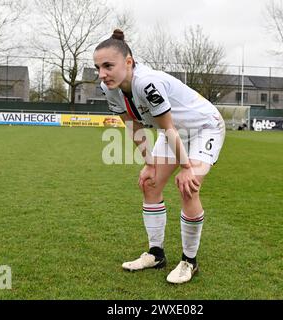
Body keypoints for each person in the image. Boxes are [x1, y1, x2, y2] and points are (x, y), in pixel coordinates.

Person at [93, 29, 226, 284]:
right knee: (149, 183)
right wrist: (149, 164)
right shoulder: (109, 88)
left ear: (128, 62)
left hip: (203, 128)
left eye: (108, 66)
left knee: (188, 186)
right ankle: (156, 254)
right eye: (98, 67)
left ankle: (189, 261)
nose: (102, 73)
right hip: (175, 132)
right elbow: (132, 126)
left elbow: (167, 128)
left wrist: (186, 167)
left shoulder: (146, 82)